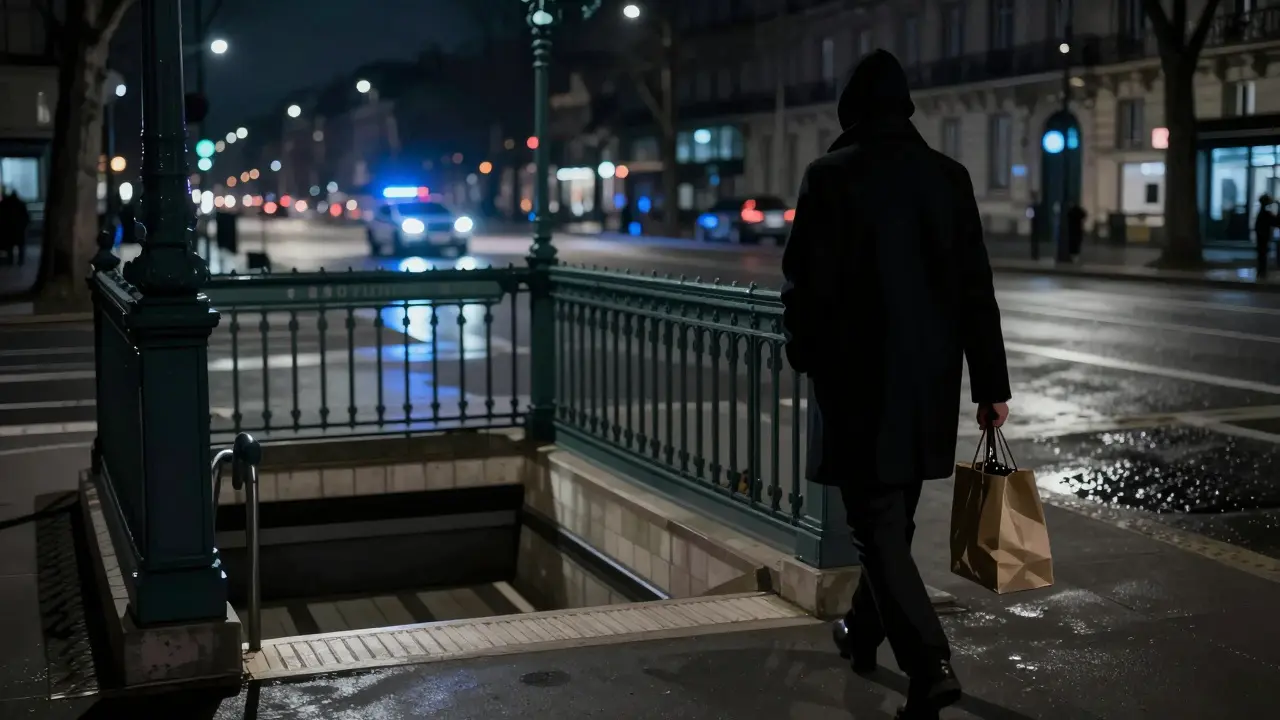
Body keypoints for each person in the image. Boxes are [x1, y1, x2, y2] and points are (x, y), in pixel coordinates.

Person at [780, 50, 1011, 720]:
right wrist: (989, 385)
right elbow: (976, 292)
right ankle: (860, 629)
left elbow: (805, 288)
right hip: (928, 384)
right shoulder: (949, 177)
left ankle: (929, 661)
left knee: (875, 523)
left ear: (850, 110)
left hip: (856, 383)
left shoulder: (829, 176)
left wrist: (808, 354)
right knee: (891, 522)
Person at [0, 188, 30, 266]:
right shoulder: (21, 204)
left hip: (8, 229)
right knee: (21, 246)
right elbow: (26, 217)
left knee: (9, 246)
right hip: (19, 229)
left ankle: (10, 260)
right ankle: (20, 261)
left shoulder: (4, 204)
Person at [1255, 195, 1275, 279]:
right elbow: (1275, 221)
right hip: (1263, 238)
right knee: (1263, 255)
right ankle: (1262, 272)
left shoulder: (1261, 212)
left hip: (1261, 237)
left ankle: (1261, 272)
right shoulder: (1266, 213)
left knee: (1261, 255)